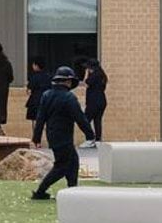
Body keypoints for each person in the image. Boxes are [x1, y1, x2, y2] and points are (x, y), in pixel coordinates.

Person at [31, 66, 95, 200]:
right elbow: (80, 118)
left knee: (73, 161)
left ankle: (72, 189)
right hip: (64, 137)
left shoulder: (46, 95)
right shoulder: (69, 98)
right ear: (67, 81)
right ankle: (40, 191)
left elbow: (40, 118)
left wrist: (36, 137)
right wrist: (90, 135)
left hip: (52, 135)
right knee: (62, 166)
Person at [24, 56, 52, 144]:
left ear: (36, 65)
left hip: (35, 101)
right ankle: (50, 141)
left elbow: (29, 91)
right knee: (48, 123)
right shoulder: (49, 76)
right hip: (47, 101)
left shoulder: (34, 77)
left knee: (36, 123)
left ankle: (37, 142)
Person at [81, 58, 108, 146]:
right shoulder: (102, 75)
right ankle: (98, 140)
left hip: (93, 101)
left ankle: (89, 139)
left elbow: (86, 83)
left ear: (91, 67)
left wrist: (86, 75)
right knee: (97, 120)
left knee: (84, 120)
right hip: (102, 100)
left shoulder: (94, 75)